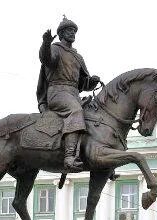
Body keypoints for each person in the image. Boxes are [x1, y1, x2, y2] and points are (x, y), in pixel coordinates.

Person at [37, 16, 101, 172]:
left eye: (74, 31)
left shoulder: (78, 56)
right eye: (69, 31)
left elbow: (82, 83)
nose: (73, 33)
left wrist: (91, 82)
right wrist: (46, 43)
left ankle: (101, 160)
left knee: (95, 116)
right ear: (61, 33)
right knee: (76, 111)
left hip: (73, 94)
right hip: (57, 93)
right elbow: (46, 59)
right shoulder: (55, 49)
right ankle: (69, 157)